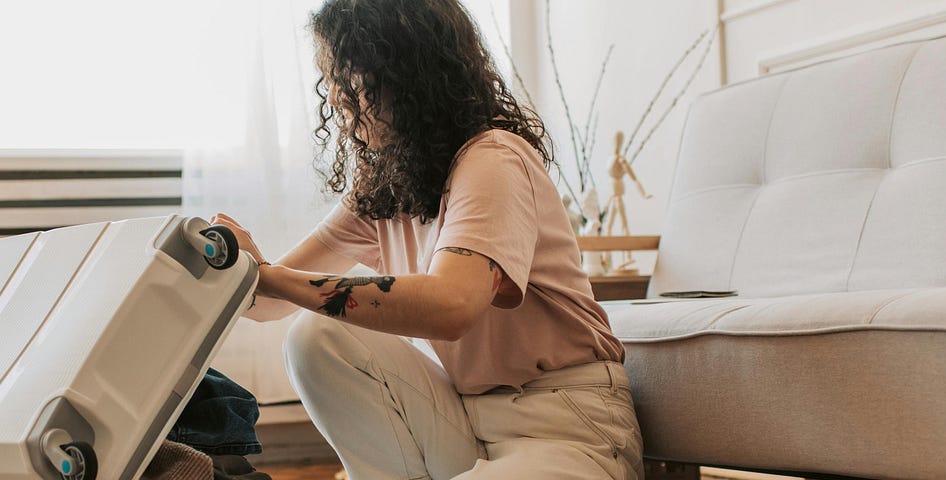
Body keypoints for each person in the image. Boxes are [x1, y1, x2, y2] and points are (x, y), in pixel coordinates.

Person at [209, 0, 643, 478]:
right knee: (317, 336)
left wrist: (274, 278)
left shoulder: (493, 158)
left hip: (562, 422)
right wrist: (229, 268)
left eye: (348, 76)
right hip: (462, 418)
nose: (334, 97)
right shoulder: (385, 187)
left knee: (318, 319)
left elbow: (452, 306)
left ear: (404, 73)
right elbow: (270, 303)